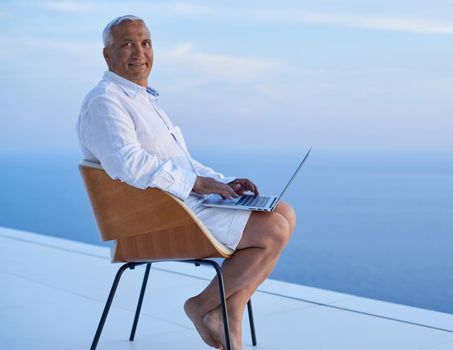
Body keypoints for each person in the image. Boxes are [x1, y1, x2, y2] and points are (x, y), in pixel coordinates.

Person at [77, 15, 295, 350]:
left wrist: (223, 183)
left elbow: (181, 162)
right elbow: (128, 164)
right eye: (127, 44)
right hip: (156, 218)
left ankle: (232, 306)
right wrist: (197, 185)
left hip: (178, 204)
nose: (140, 52)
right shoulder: (105, 101)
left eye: (145, 43)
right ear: (107, 55)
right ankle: (204, 304)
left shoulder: (143, 99)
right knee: (274, 230)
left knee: (284, 212)